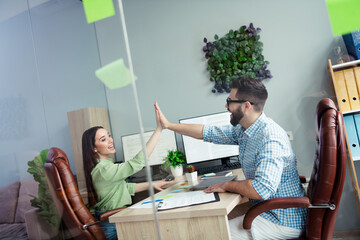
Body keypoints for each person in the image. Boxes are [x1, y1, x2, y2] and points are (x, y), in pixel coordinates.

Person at [154, 77, 306, 240]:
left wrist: (227, 184)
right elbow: (207, 132)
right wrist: (168, 125)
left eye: (230, 101)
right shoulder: (246, 130)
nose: (226, 106)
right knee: (210, 226)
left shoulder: (270, 137)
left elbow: (261, 189)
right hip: (267, 210)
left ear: (246, 105)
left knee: (213, 235)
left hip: (282, 219)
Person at [82, 103, 172, 240]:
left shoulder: (103, 166)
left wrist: (152, 184)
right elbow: (137, 163)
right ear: (94, 148)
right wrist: (159, 130)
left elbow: (123, 188)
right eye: (103, 139)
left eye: (109, 136)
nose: (110, 141)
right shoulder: (104, 169)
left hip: (114, 219)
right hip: (112, 225)